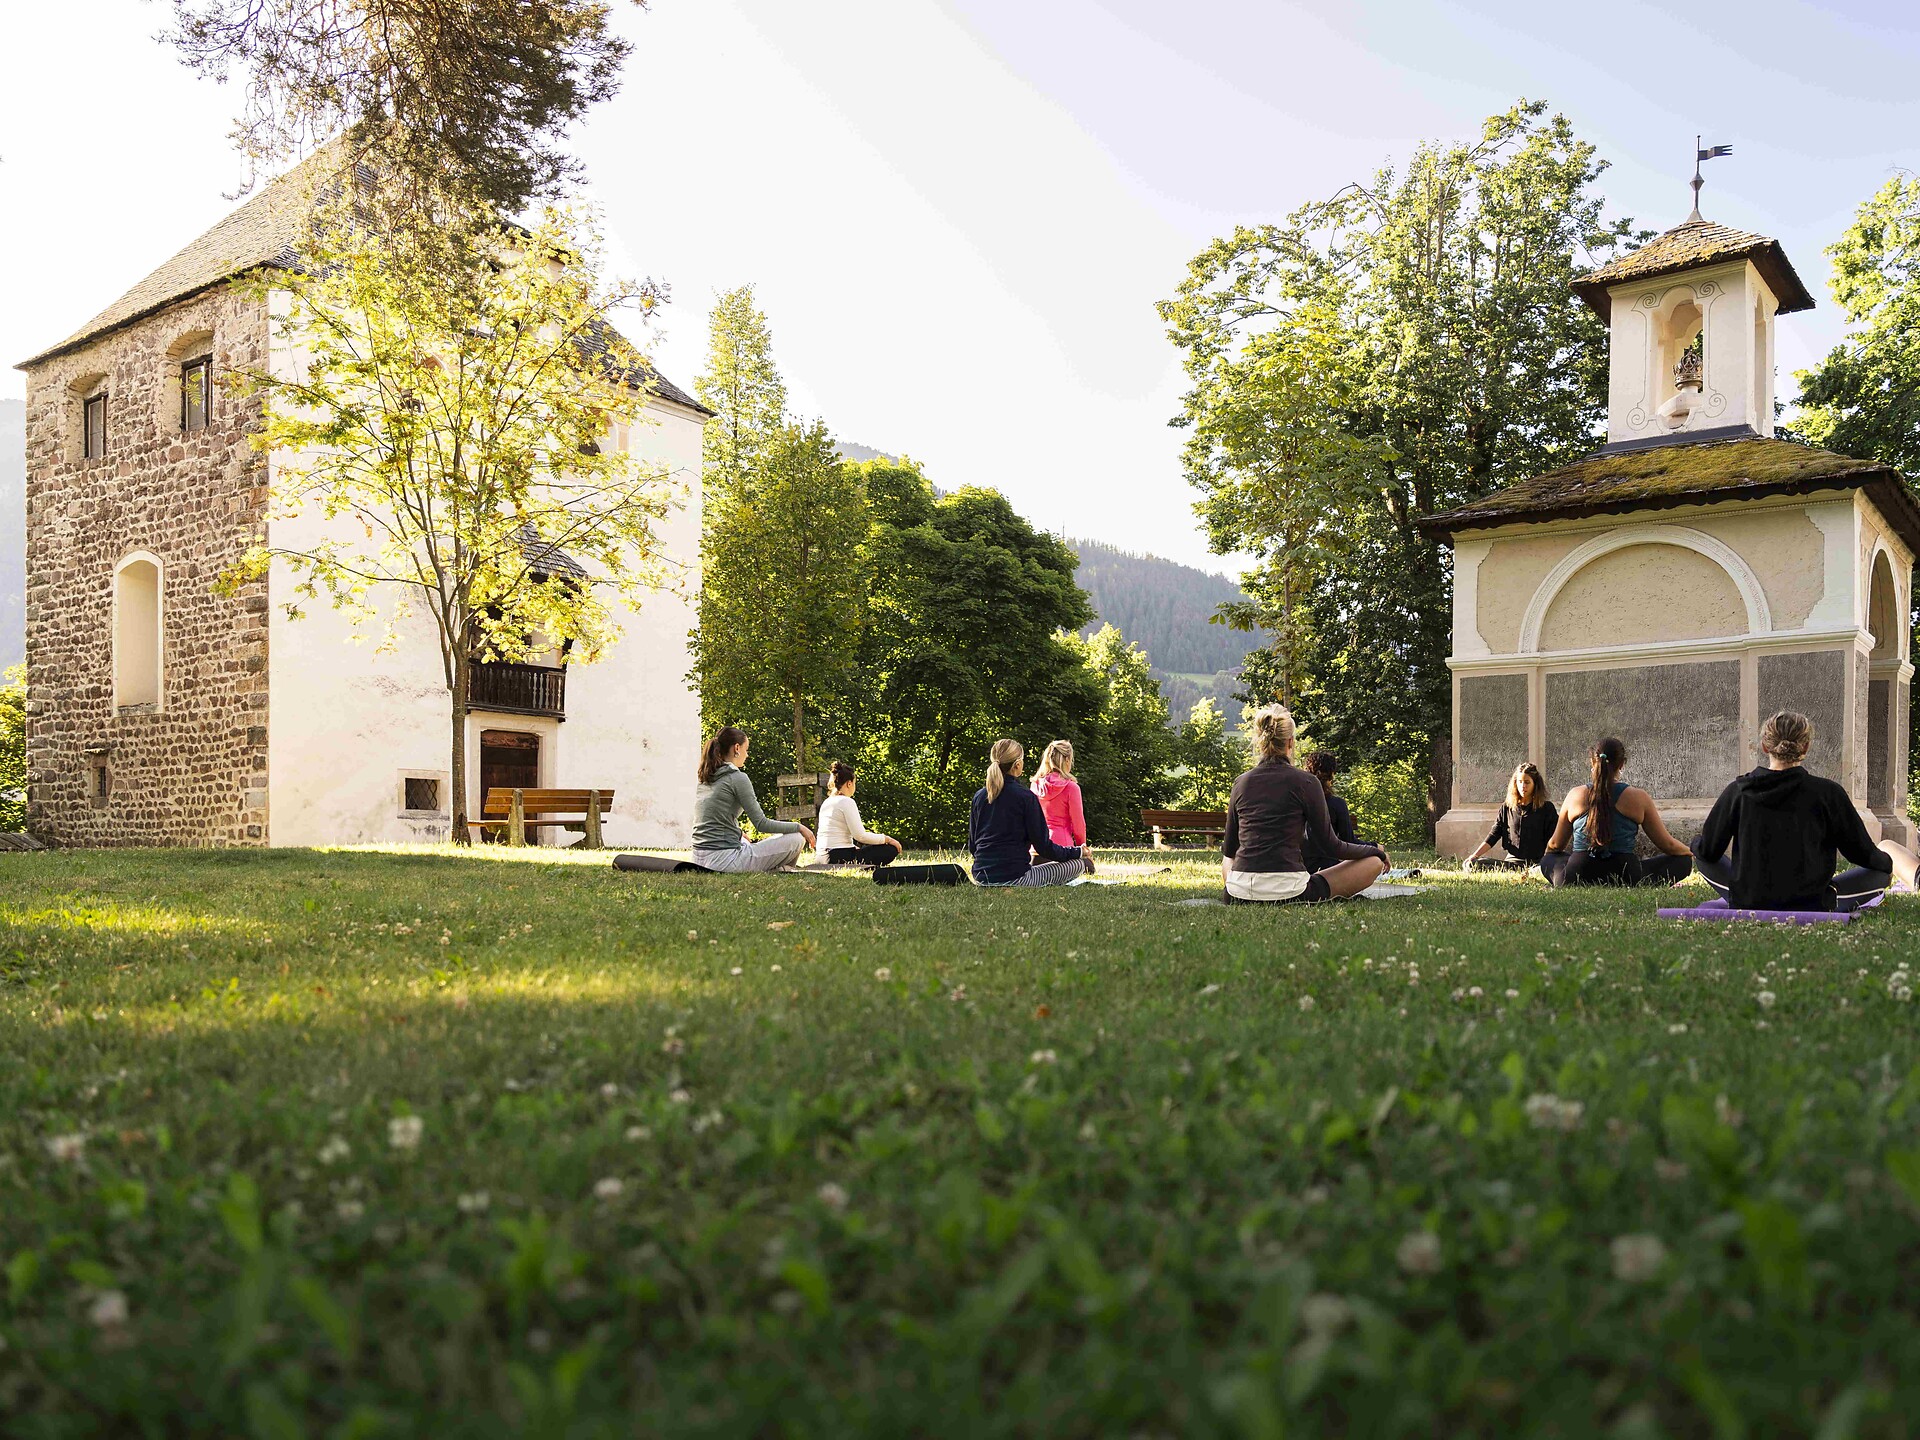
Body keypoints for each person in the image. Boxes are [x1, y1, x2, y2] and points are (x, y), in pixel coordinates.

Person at [1694, 710, 1920, 912]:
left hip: (1749, 900)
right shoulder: (1828, 793)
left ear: (1764, 746)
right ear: (1805, 747)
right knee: (1880, 873)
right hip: (1814, 902)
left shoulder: (1738, 791)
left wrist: (1695, 845)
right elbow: (1861, 853)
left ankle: (1740, 896)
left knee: (1701, 855)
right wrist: (1887, 864)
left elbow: (1709, 851)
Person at [1221, 706, 1389, 904]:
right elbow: (1332, 846)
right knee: (1373, 862)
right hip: (1292, 892)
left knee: (1226, 860)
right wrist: (1376, 851)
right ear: (1290, 742)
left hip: (1238, 894)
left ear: (1260, 739)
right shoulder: (1307, 782)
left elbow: (1229, 850)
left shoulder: (1241, 782)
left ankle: (1242, 889)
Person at [1540, 737, 1692, 887]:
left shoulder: (1575, 795)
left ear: (1592, 762)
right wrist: (1692, 852)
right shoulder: (1638, 797)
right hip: (1626, 875)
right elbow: (1668, 845)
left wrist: (1551, 856)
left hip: (1577, 875)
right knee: (1683, 861)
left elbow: (1555, 845)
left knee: (1549, 858)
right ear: (1621, 764)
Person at [689, 726, 814, 873]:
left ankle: (781, 868)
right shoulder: (737, 778)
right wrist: (799, 827)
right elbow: (761, 824)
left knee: (744, 839)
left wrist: (738, 833)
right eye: (746, 749)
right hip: (723, 861)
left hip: (698, 859)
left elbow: (714, 817)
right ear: (737, 748)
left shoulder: (706, 777)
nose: (747, 755)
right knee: (796, 838)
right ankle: (781, 869)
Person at [968, 738, 1091, 886]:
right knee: (1078, 864)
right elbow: (1044, 847)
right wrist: (1078, 852)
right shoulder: (1025, 797)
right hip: (1017, 877)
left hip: (981, 877)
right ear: (1018, 765)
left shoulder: (979, 797)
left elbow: (973, 846)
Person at [1464, 762, 1558, 870]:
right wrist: (1475, 855)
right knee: (1474, 864)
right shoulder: (1507, 807)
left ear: (1535, 784)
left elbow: (1554, 838)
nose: (1523, 786)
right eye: (1520, 782)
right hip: (1512, 862)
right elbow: (1494, 834)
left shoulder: (1546, 808)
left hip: (1538, 862)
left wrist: (1546, 860)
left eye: (1527, 782)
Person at [816, 761, 902, 867]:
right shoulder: (846, 801)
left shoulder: (827, 802)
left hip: (821, 856)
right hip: (838, 857)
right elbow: (860, 836)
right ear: (849, 783)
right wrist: (888, 839)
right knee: (890, 849)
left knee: (862, 850)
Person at [1299, 750, 1362, 873]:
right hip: (1327, 869)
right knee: (1374, 859)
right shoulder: (1336, 804)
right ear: (1332, 774)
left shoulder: (1297, 803)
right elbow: (1349, 841)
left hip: (1299, 868)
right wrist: (1377, 847)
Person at [1031, 740, 1088, 850]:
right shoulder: (1071, 788)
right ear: (1067, 760)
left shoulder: (1035, 785)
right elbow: (1078, 825)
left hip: (1037, 846)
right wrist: (1082, 847)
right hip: (1062, 846)